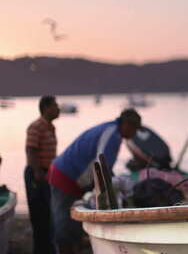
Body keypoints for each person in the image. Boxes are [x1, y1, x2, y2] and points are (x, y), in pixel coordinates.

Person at [48, 108, 142, 254]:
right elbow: (101, 165)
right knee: (64, 225)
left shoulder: (112, 132)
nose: (135, 134)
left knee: (73, 224)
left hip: (73, 180)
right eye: (135, 129)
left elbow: (103, 169)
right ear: (127, 125)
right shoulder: (112, 134)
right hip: (65, 177)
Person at [24, 95, 60, 254]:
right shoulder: (36, 126)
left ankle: (48, 248)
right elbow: (30, 150)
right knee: (39, 215)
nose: (58, 108)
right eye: (55, 105)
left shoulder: (50, 127)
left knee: (48, 213)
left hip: (47, 174)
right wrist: (38, 172)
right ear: (46, 108)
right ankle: (41, 250)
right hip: (37, 174)